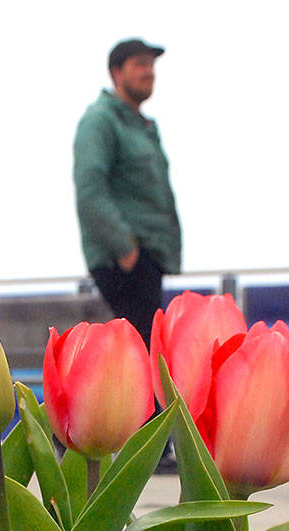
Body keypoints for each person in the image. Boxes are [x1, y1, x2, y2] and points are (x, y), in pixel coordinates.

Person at [73, 38, 182, 346]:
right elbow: (90, 188)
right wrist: (126, 250)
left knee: (150, 351)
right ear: (116, 73)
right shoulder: (100, 121)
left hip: (146, 257)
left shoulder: (140, 126)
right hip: (125, 260)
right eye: (139, 65)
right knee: (144, 355)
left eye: (150, 65)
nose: (149, 72)